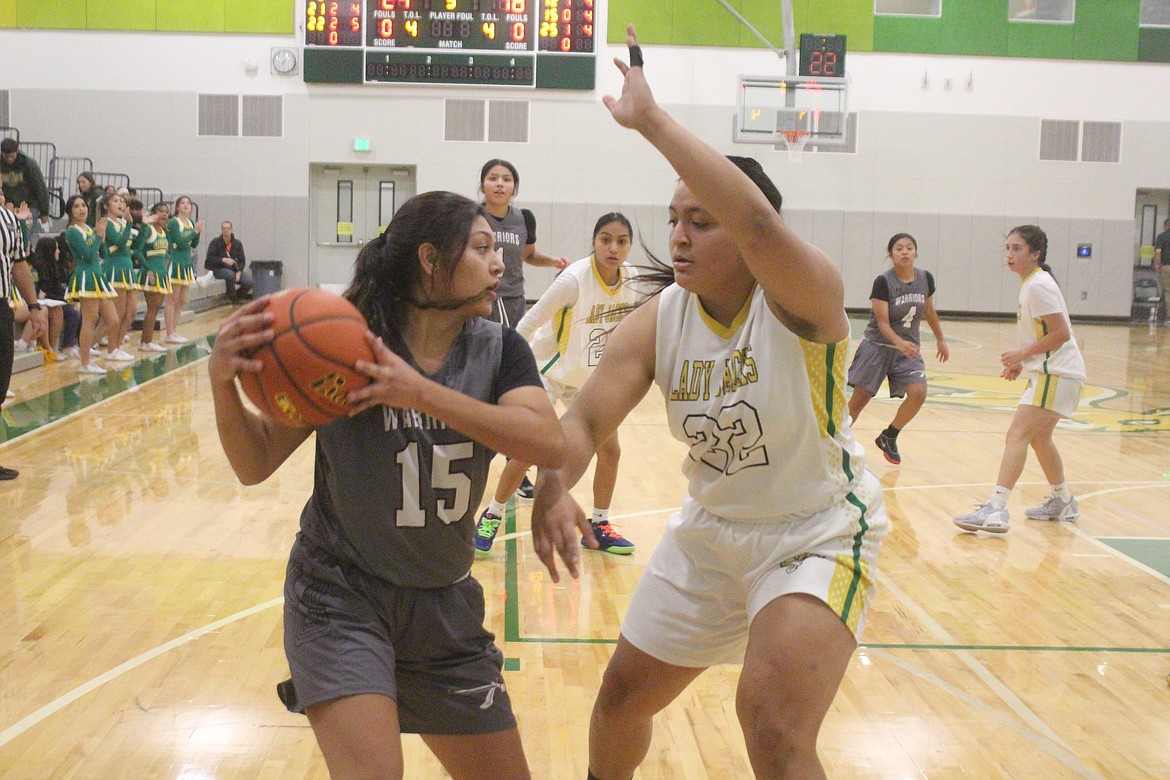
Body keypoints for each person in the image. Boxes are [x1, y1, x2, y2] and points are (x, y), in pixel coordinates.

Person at [531, 27, 888, 780]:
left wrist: (652, 121)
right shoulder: (661, 319)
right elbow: (587, 421)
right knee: (619, 701)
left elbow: (759, 222)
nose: (678, 237)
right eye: (674, 219)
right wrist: (555, 482)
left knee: (772, 722)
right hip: (710, 533)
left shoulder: (802, 299)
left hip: (813, 530)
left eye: (702, 220)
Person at [208, 190, 566, 779]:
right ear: (430, 259)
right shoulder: (348, 348)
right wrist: (223, 382)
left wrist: (418, 392)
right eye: (480, 248)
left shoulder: (500, 347)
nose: (499, 262)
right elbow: (256, 462)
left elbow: (549, 444)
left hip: (443, 602)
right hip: (340, 595)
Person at [475, 212, 640, 557]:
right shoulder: (575, 279)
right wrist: (509, 367)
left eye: (621, 241)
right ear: (594, 241)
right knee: (527, 454)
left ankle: (599, 523)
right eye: (605, 239)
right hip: (548, 373)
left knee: (611, 450)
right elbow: (529, 322)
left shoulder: (633, 280)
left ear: (629, 246)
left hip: (590, 380)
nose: (613, 247)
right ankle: (490, 515)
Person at [954, 225, 1086, 534]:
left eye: (1017, 249)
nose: (1010, 254)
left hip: (1057, 373)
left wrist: (1023, 353)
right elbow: (1046, 333)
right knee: (1039, 438)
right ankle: (1063, 500)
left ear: (1035, 254)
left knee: (1017, 436)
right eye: (1008, 248)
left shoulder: (1038, 285)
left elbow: (1061, 333)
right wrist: (1025, 361)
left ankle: (996, 509)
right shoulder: (1033, 284)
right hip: (1053, 372)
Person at [478, 159, 570, 500]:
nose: (499, 184)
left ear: (514, 186)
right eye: (492, 178)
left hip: (516, 302)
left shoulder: (523, 219)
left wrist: (553, 263)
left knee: (507, 377)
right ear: (483, 185)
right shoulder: (472, 218)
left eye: (506, 179)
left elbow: (527, 254)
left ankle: (513, 461)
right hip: (482, 301)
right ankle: (507, 458)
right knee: (493, 375)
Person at [846, 232, 949, 465]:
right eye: (899, 248)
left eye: (909, 247)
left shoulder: (926, 278)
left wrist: (940, 338)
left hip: (907, 350)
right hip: (878, 348)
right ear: (891, 255)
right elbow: (882, 323)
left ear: (916, 252)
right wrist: (900, 343)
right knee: (859, 401)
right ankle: (835, 440)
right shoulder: (883, 282)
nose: (905, 252)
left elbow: (929, 311)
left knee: (919, 393)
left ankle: (889, 435)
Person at [1, 183, 47, 479]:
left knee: (1, 382)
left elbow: (19, 266)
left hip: (1, 305)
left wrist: (33, 305)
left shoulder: (8, 221)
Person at [63, 194, 119, 374]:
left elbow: (101, 253)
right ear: (70, 211)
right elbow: (87, 254)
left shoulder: (88, 228)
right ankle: (85, 364)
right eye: (77, 206)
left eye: (83, 205)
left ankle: (84, 349)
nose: (82, 209)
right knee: (89, 321)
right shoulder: (72, 231)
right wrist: (98, 235)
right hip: (85, 276)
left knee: (113, 320)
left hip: (98, 275)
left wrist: (100, 238)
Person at [99, 193, 138, 361]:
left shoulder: (122, 223)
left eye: (121, 201)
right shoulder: (106, 223)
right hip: (114, 268)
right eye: (115, 201)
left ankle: (117, 346)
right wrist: (130, 223)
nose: (120, 204)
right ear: (106, 206)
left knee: (131, 312)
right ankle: (111, 349)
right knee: (118, 313)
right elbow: (120, 243)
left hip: (127, 267)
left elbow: (132, 245)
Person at [163, 195, 203, 344]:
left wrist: (197, 231)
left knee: (182, 300)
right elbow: (180, 242)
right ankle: (169, 333)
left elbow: (193, 244)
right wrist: (194, 232)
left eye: (188, 203)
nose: (186, 205)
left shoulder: (191, 222)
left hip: (187, 263)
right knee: (172, 299)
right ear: (177, 207)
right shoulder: (173, 222)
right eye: (182, 203)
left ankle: (174, 330)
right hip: (176, 263)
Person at [134, 201, 171, 353]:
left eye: (166, 212)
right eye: (160, 211)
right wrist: (148, 269)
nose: (164, 214)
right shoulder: (148, 229)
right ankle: (146, 342)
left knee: (155, 309)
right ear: (153, 214)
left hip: (161, 273)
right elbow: (136, 250)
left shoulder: (164, 231)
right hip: (151, 273)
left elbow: (166, 254)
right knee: (152, 308)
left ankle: (146, 341)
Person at [0, 138, 51, 230]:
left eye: (12, 156)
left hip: (29, 205)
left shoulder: (28, 163)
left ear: (17, 152)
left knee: (25, 233)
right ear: (2, 153)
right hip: (7, 206)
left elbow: (40, 188)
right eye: (6, 157)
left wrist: (45, 212)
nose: (9, 159)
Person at [204, 220, 253, 301]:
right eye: (224, 228)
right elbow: (209, 259)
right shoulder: (215, 242)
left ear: (231, 230)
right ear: (221, 230)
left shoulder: (237, 243)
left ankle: (236, 296)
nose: (226, 230)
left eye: (228, 228)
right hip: (219, 269)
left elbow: (242, 260)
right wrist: (223, 259)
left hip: (234, 269)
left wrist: (239, 271)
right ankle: (233, 299)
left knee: (249, 281)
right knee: (230, 275)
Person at [1154, 217, 1170, 321]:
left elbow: (1158, 252)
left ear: (1165, 225)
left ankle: (1169, 316)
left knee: (1168, 291)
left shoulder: (1161, 237)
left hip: (1167, 267)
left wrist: (1158, 265)